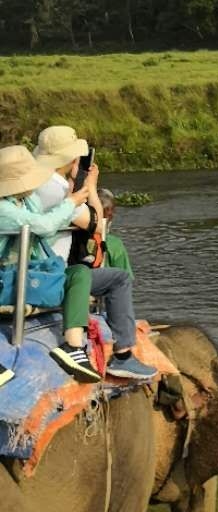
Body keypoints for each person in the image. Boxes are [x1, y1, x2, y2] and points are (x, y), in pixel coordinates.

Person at [0, 140, 155, 385]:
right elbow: (76, 224)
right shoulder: (5, 209)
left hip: (32, 271)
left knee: (82, 273)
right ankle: (117, 353)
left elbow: (91, 220)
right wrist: (74, 200)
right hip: (11, 278)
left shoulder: (27, 200)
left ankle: (75, 347)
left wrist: (81, 191)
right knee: (100, 277)